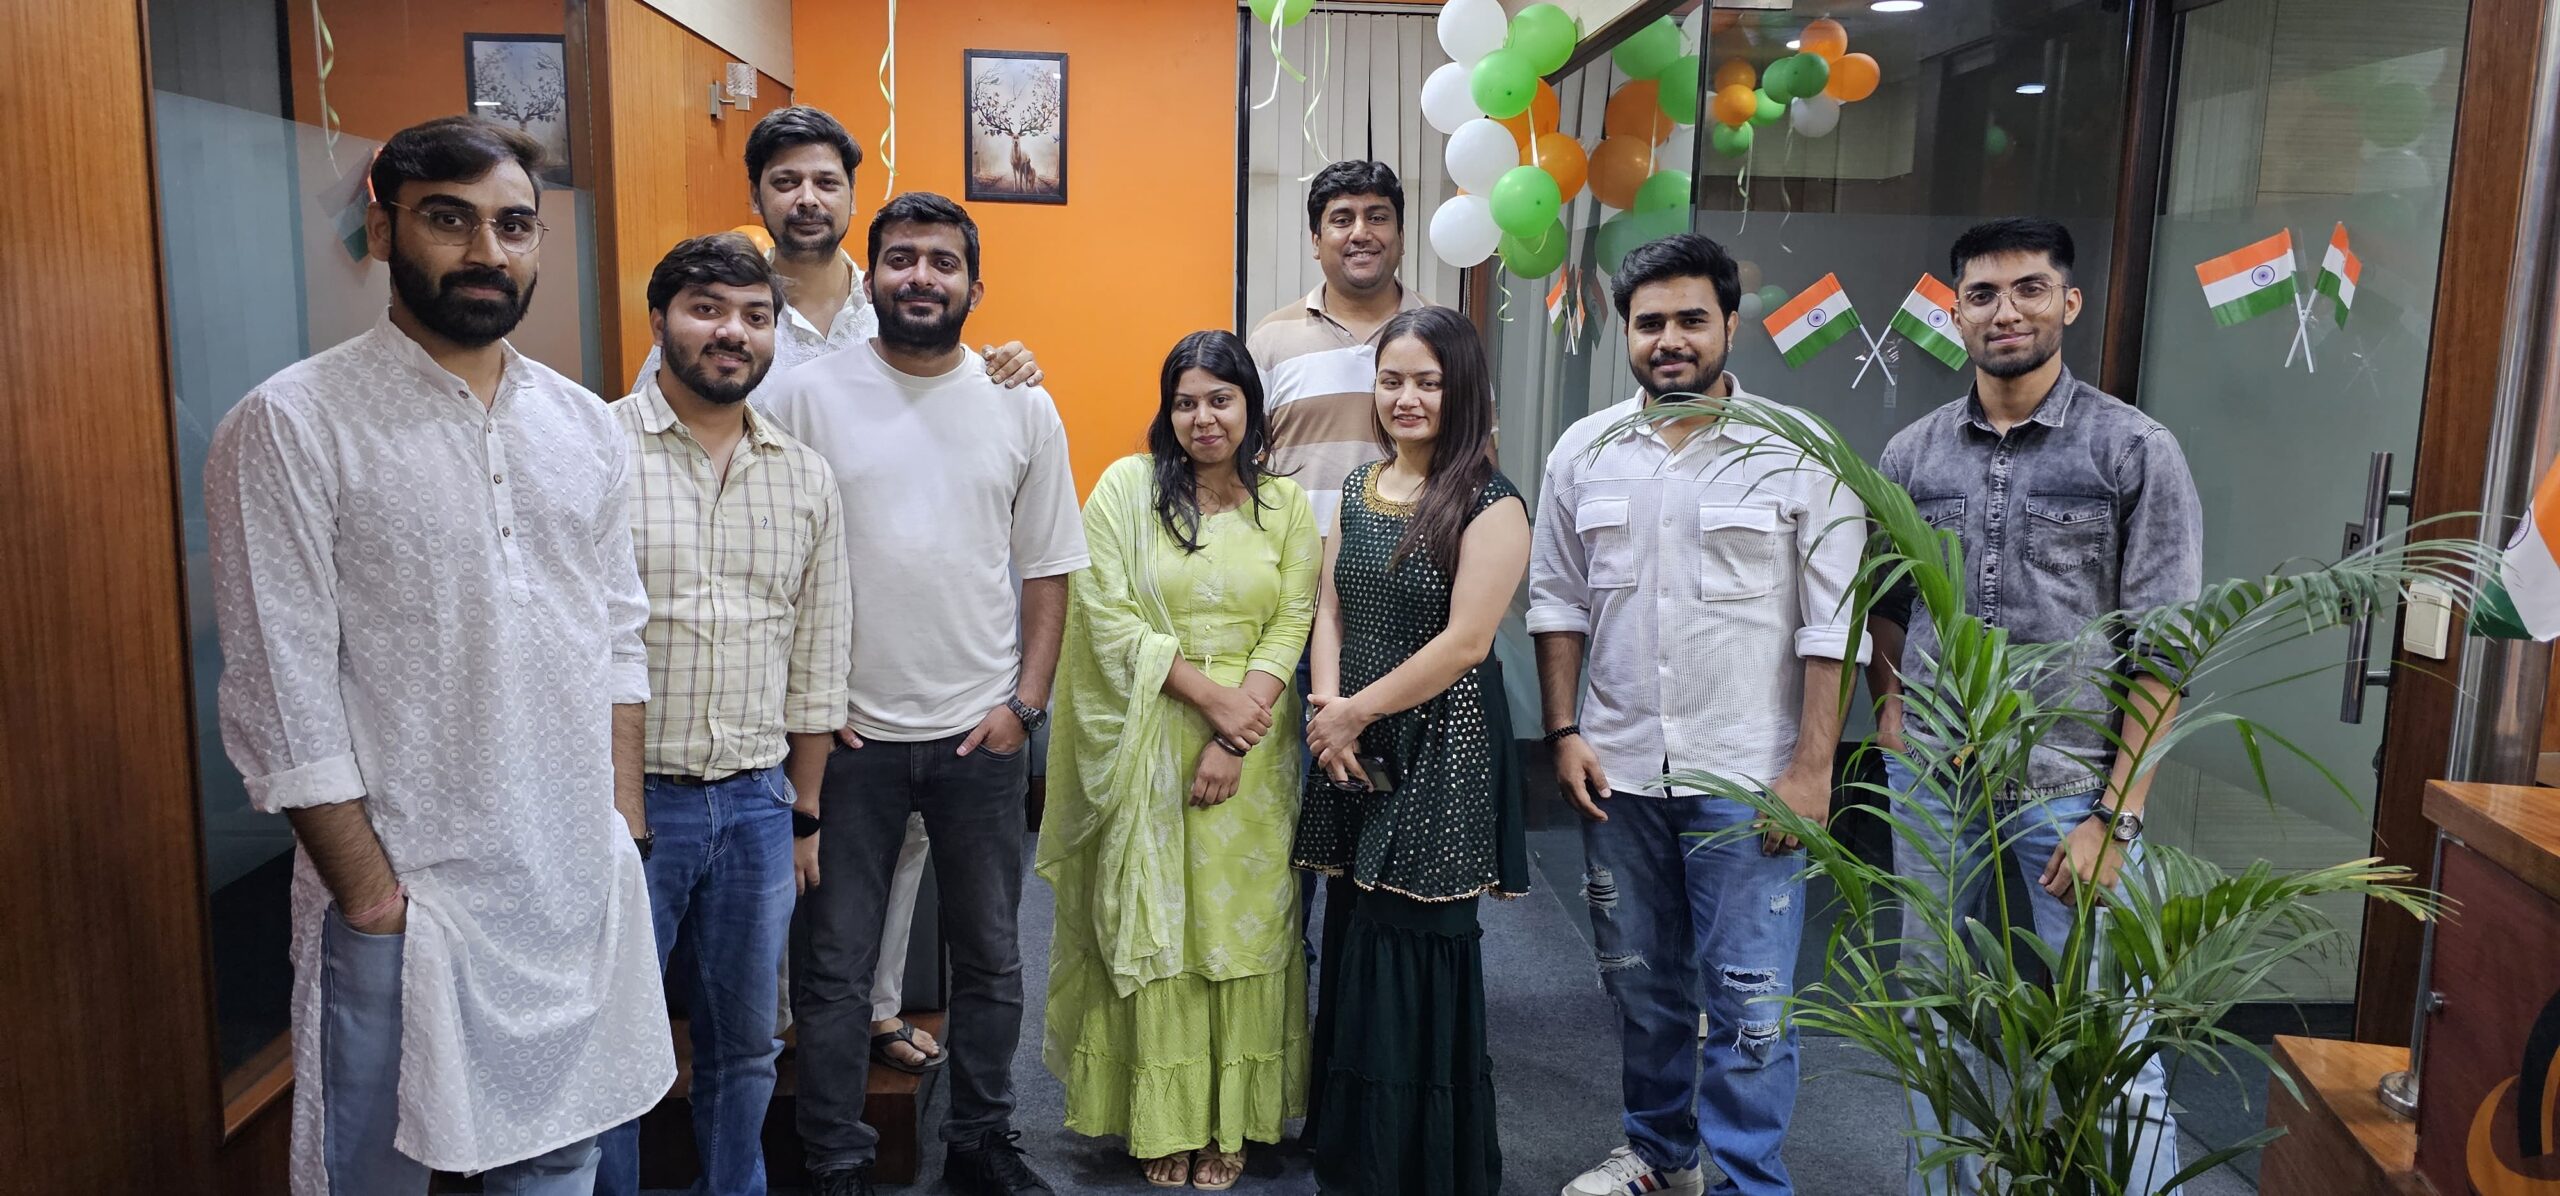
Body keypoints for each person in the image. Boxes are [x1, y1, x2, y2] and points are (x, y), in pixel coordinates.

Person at [205, 116, 669, 1195]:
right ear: (384, 231)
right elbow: (281, 696)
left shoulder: (583, 428)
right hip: (409, 903)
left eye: (513, 225)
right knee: (379, 1173)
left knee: (561, 1159)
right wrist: (372, 901)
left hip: (568, 887)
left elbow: (616, 638)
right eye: (450, 220)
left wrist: (618, 828)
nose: (486, 252)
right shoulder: (294, 423)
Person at [634, 107, 1040, 1076]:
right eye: (785, 182)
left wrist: (1013, 362)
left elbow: (956, 385)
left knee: (897, 854)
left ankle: (875, 1010)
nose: (807, 199)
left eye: (825, 182)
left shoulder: (888, 298)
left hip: (906, 649)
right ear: (757, 196)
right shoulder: (725, 298)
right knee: (782, 851)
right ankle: (773, 1028)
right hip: (768, 639)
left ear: (853, 197)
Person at [1865, 217, 2203, 1196]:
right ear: (1955, 313)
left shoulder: (2132, 449)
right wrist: (1891, 712)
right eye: (1981, 294)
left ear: (2069, 302)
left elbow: (2165, 650)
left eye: (2028, 289)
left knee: (2105, 1027)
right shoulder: (1913, 454)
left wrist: (2117, 816)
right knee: (1932, 1013)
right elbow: (1883, 604)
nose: (2004, 311)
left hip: (2070, 784)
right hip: (1935, 779)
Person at [764, 192, 1089, 1196]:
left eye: (942, 262)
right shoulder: (804, 396)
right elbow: (770, 558)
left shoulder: (1019, 402)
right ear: (872, 278)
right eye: (901, 258)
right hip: (846, 740)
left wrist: (1024, 707)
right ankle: (834, 1156)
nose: (921, 276)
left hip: (977, 738)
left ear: (974, 287)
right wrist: (807, 709)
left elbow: (1049, 567)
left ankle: (981, 1142)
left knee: (990, 960)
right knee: (834, 968)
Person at [1529, 234, 1868, 1196]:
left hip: (1751, 777)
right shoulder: (1583, 451)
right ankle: (1660, 1156)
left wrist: (1813, 769)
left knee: (1752, 1004)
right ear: (1625, 334)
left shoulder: (1798, 450)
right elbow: (1557, 603)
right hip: (1620, 770)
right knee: (1642, 985)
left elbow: (1834, 622)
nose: (1669, 340)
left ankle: (1747, 1179)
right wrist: (1563, 732)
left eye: (1690, 319)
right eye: (1650, 323)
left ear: (1729, 324)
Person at [592, 234, 852, 1196]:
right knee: (613, 1046)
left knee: (746, 1045)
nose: (732, 333)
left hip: (754, 805)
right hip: (625, 806)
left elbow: (818, 658)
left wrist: (803, 813)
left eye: (754, 316)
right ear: (659, 320)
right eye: (707, 309)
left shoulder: (804, 475)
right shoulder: (594, 448)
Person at [1036, 331, 1321, 1190]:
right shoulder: (1127, 491)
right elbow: (1106, 614)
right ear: (1167, 411)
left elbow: (1293, 618)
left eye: (1220, 399)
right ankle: (1162, 1118)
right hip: (1151, 736)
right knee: (1157, 924)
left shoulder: (1285, 506)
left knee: (1243, 926)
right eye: (1186, 401)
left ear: (1250, 407)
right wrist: (1210, 701)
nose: (1204, 418)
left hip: (1255, 749)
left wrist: (1237, 732)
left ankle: (1230, 1120)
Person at [1288, 305, 1532, 1196]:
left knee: (1412, 940)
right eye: (1392, 380)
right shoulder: (1359, 485)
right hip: (1353, 732)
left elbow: (1466, 643)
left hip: (1439, 743)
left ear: (1462, 389)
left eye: (1429, 381)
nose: (1408, 398)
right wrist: (1329, 708)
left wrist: (1351, 715)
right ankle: (1353, 1150)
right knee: (1354, 929)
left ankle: (1418, 1165)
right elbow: (1329, 606)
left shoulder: (1491, 501)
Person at [1247, 158, 1431, 965]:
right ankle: (1285, 975)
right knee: (1289, 804)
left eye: (1377, 215)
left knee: (1392, 808)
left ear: (1401, 232)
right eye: (1342, 218)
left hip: (1405, 617)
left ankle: (1371, 983)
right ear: (1315, 238)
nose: (1361, 232)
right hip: (1292, 614)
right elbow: (1241, 469)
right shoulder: (1272, 339)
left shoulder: (1438, 334)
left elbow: (1471, 466)